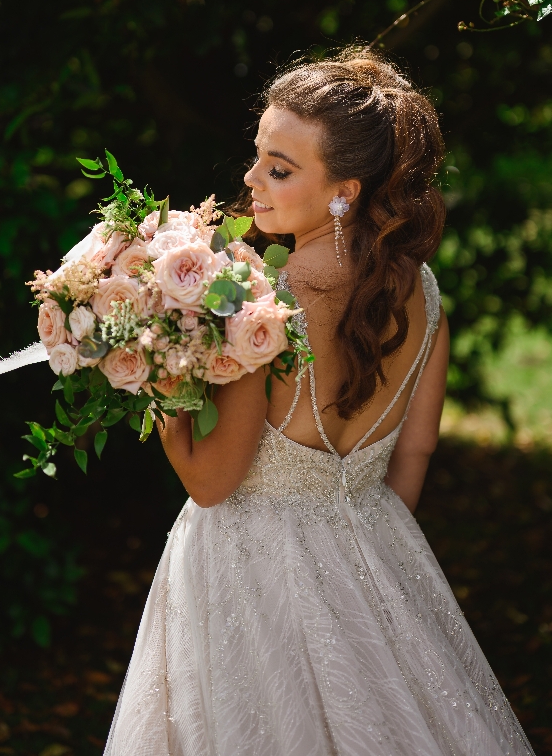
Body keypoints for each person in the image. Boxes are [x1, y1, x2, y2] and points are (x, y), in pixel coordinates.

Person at [104, 49, 535, 756]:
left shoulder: (265, 303)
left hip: (246, 573)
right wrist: (359, 548)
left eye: (280, 168)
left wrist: (159, 381)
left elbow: (211, 483)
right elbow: (417, 449)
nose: (251, 181)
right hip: (375, 547)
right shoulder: (420, 289)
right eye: (257, 156)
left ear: (346, 190)